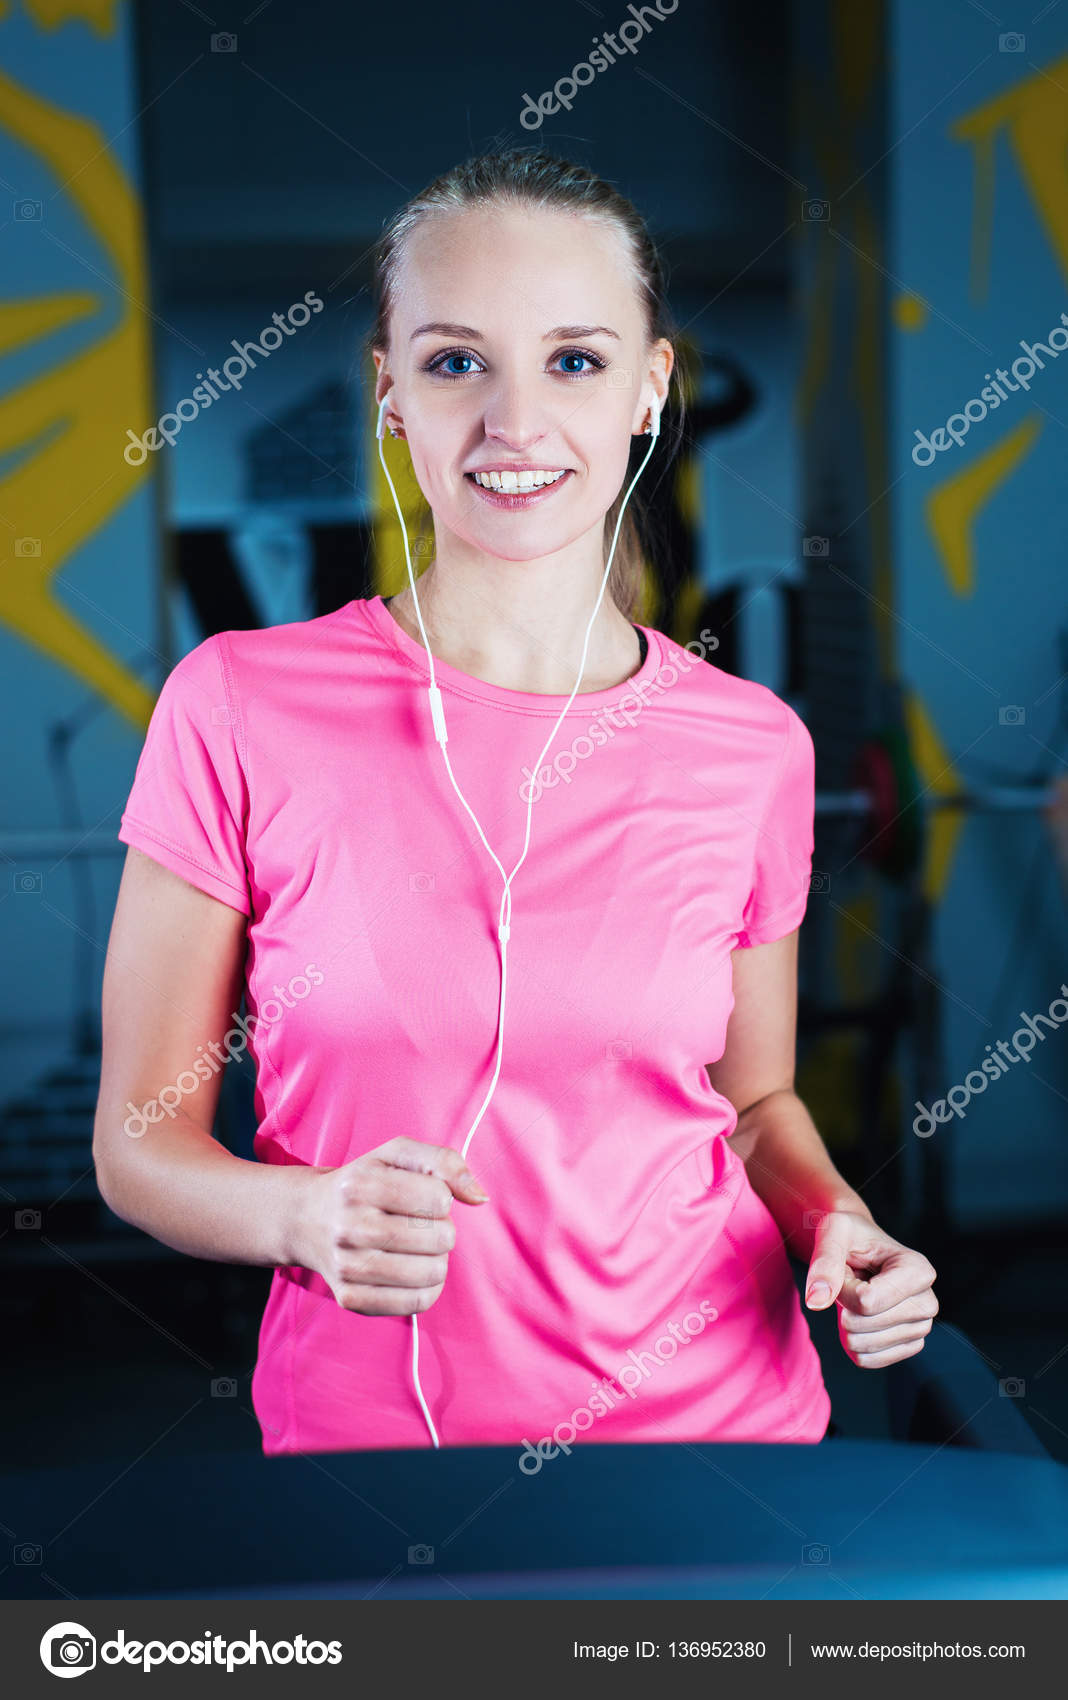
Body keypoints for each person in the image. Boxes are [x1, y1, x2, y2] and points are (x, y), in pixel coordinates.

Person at [93, 147, 938, 1457]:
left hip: (723, 1442)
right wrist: (298, 1217)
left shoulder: (750, 743)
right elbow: (141, 1143)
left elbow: (757, 1106)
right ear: (389, 395)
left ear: (652, 389)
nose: (516, 422)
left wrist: (840, 1223)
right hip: (373, 1457)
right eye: (453, 361)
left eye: (576, 361)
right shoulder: (237, 707)